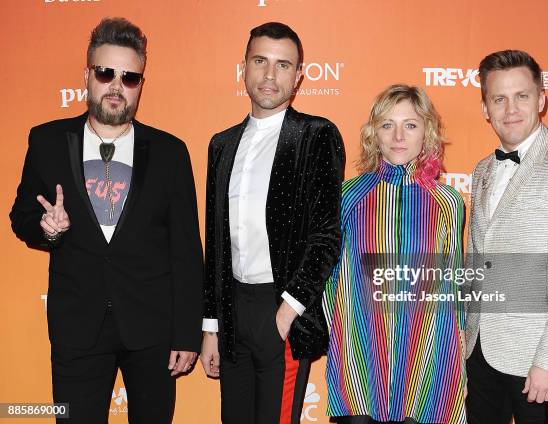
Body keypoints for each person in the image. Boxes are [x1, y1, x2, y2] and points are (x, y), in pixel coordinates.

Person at [9, 17, 204, 423]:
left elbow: (186, 249)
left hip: (152, 332)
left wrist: (187, 333)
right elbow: (22, 215)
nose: (116, 86)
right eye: (105, 73)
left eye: (130, 77)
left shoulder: (170, 152)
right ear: (87, 75)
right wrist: (46, 229)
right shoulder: (46, 141)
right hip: (77, 328)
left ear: (140, 85)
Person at [199, 22, 345, 424]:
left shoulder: (316, 135)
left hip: (279, 310)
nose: (269, 75)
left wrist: (287, 312)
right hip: (231, 313)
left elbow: (326, 236)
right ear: (243, 67)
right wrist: (210, 326)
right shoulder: (221, 144)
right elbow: (215, 242)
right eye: (260, 61)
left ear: (298, 76)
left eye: (283, 65)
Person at [465, 50, 548, 424]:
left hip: (536, 358)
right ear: (485, 108)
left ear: (541, 99)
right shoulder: (482, 170)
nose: (511, 108)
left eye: (522, 95)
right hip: (479, 351)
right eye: (499, 98)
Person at [324, 84, 466, 424]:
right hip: (359, 350)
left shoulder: (448, 202)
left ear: (426, 133)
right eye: (388, 125)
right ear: (375, 133)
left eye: (410, 125)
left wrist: (460, 345)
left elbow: (456, 281)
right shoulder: (347, 195)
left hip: (427, 356)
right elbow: (328, 277)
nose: (398, 136)